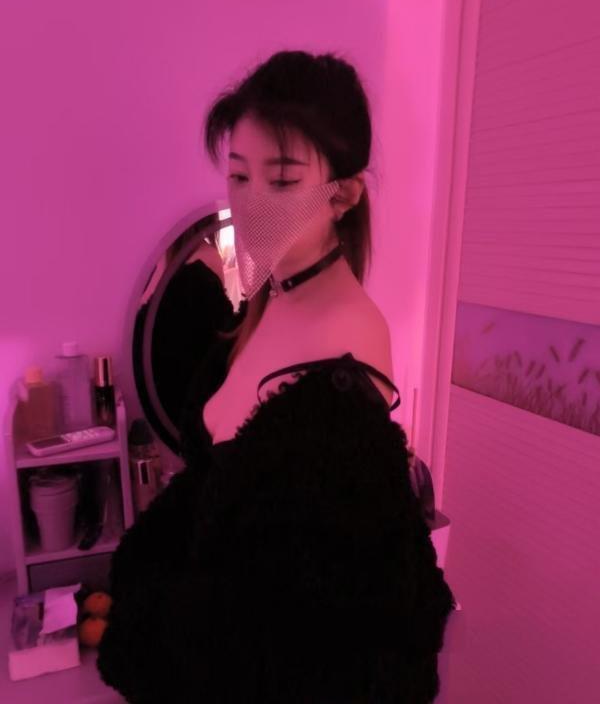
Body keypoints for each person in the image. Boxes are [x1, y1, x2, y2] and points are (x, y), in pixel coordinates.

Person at [96, 49, 456, 703]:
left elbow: (315, 641)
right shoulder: (267, 302)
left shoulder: (347, 351)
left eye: (283, 181)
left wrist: (155, 619)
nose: (251, 204)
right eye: (238, 176)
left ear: (343, 194)